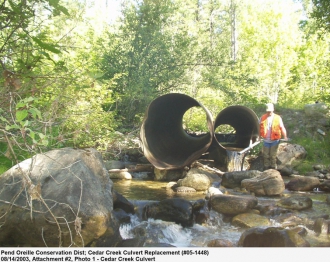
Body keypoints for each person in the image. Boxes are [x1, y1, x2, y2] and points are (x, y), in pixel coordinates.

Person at [259, 103, 288, 170]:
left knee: (273, 155)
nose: (269, 113)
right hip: (266, 140)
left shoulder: (278, 118)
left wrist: (285, 136)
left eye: (270, 111)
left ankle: (273, 168)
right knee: (266, 155)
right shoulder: (263, 117)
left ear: (273, 110)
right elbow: (259, 128)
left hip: (274, 140)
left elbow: (282, 127)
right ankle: (266, 168)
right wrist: (259, 137)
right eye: (268, 111)